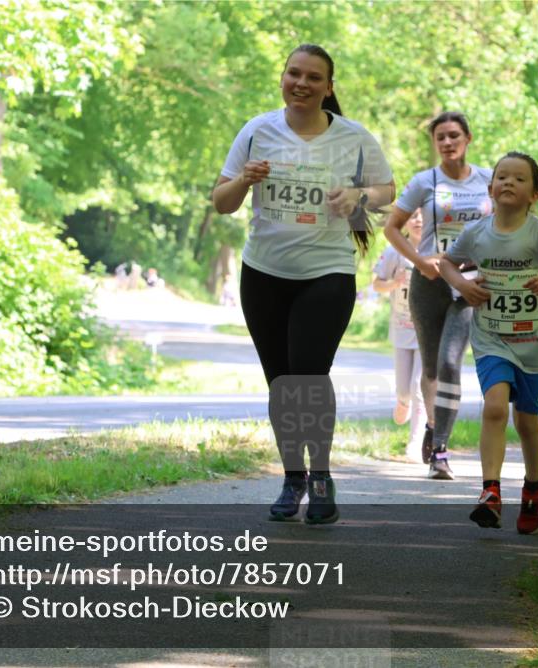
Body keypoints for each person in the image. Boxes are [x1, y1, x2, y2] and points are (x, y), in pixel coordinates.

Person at [212, 44, 395, 523]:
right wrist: (245, 182)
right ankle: (292, 478)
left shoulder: (353, 138)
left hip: (327, 272)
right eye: (294, 73)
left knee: (308, 377)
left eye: (314, 77)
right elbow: (221, 201)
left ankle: (322, 476)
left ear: (328, 87)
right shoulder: (257, 131)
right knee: (281, 384)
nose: (302, 83)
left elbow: (386, 192)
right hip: (264, 274)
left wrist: (358, 194)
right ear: (283, 78)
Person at [440, 152, 538, 534]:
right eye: (502, 177)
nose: (509, 183)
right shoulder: (476, 233)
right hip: (491, 337)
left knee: (527, 419)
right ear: (490, 188)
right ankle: (490, 492)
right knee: (495, 408)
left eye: (520, 179)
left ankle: (533, 486)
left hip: (532, 342)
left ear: (535, 195)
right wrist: (464, 285)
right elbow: (447, 263)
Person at [382, 111, 493, 480]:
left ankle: (441, 451)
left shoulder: (488, 181)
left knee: (449, 362)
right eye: (440, 137)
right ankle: (433, 425)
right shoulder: (424, 182)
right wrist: (420, 261)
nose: (447, 142)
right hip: (428, 283)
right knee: (429, 368)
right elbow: (391, 228)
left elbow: (510, 222)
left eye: (454, 135)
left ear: (468, 138)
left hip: (468, 283)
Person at [373, 209, 426, 459]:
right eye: (413, 215)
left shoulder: (439, 251)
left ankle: (415, 443)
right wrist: (394, 283)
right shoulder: (395, 251)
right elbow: (376, 284)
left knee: (419, 387)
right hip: (402, 329)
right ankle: (402, 401)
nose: (418, 220)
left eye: (424, 215)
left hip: (428, 331)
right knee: (405, 390)